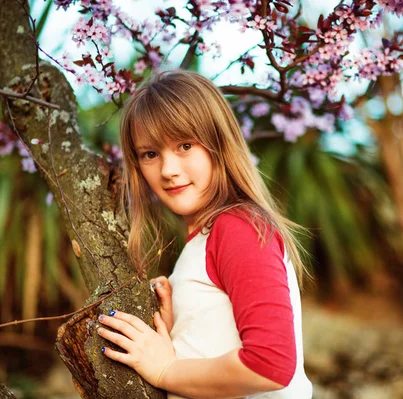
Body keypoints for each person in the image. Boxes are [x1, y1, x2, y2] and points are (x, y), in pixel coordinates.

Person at [96, 69, 313, 398]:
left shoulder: (237, 227)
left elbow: (271, 364)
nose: (168, 170)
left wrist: (166, 369)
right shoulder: (204, 239)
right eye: (150, 154)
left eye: (185, 145)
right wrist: (178, 328)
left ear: (219, 144)